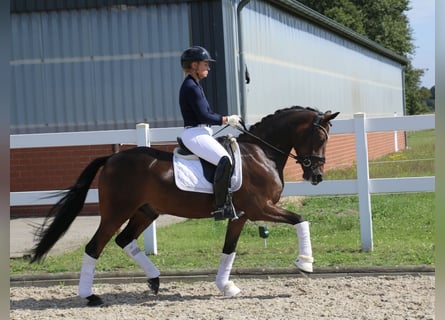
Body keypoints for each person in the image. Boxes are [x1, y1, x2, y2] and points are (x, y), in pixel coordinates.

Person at [179, 45, 243, 220]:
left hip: (200, 133)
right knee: (225, 159)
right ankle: (221, 207)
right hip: (195, 134)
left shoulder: (194, 85)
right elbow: (204, 115)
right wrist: (226, 119)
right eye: (205, 64)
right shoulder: (191, 86)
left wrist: (226, 119)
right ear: (194, 65)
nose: (208, 67)